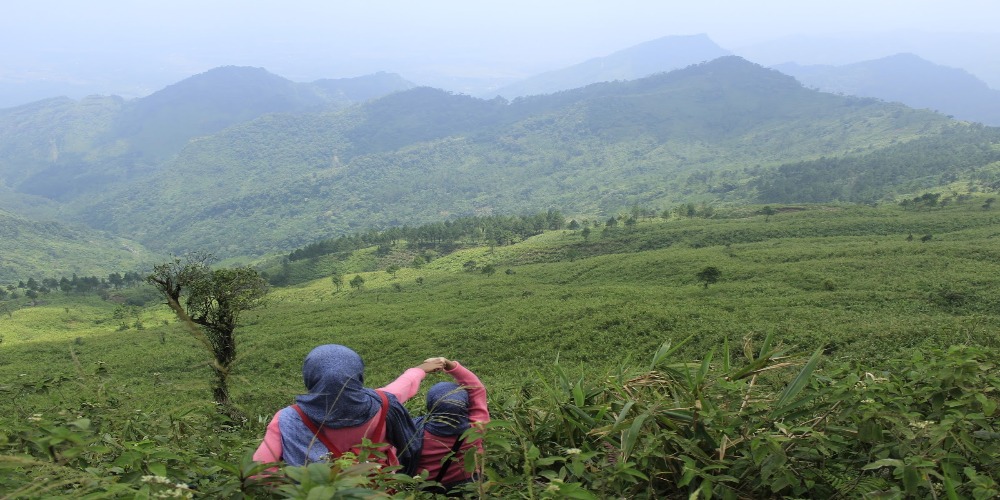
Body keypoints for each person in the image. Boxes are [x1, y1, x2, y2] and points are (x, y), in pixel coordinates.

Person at [253, 344, 446, 474]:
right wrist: (421, 368)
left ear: (309, 376)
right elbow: (402, 385)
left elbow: (259, 473)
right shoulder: (383, 403)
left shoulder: (288, 418)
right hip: (380, 489)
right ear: (357, 373)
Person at [412, 357, 489, 492]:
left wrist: (418, 370)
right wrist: (448, 363)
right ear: (466, 404)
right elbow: (477, 389)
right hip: (471, 486)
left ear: (431, 406)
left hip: (428, 490)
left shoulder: (413, 431)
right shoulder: (477, 428)